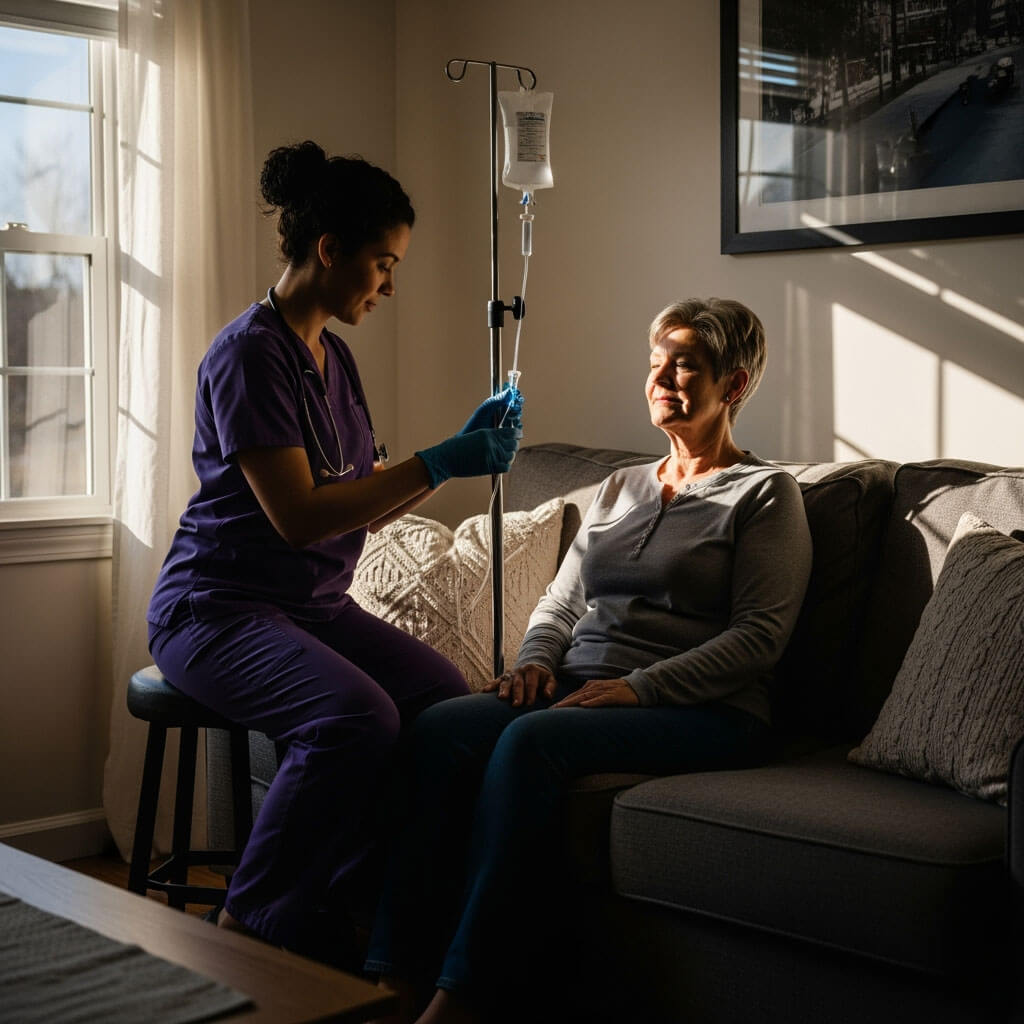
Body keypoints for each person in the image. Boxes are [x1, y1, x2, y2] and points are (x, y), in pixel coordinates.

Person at [363, 297, 813, 1023]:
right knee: (439, 729)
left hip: (708, 711)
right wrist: (538, 660)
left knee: (531, 740)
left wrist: (637, 688)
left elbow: (759, 636)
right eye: (655, 363)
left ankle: (463, 994)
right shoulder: (621, 486)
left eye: (685, 365)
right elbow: (560, 602)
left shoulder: (763, 494)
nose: (662, 378)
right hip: (581, 685)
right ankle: (389, 975)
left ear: (733, 385)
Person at [145, 140, 522, 962]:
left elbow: (363, 492)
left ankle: (346, 900)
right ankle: (247, 926)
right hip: (217, 610)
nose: (389, 285)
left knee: (445, 700)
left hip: (311, 608)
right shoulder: (249, 355)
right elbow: (301, 519)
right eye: (383, 264)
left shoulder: (334, 356)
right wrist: (441, 462)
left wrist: (451, 453)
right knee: (354, 717)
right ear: (330, 250)